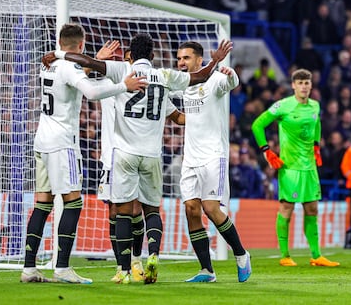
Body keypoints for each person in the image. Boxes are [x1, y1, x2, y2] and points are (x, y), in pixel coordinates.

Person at [44, 33, 233, 284]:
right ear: (153, 55)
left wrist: (58, 54)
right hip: (152, 155)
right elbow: (199, 77)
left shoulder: (121, 70)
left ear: (130, 55)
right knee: (151, 210)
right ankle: (152, 255)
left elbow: (87, 63)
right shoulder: (164, 75)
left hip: (122, 153)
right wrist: (215, 61)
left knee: (121, 211)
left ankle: (124, 269)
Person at [20, 23, 147, 284]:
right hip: (62, 143)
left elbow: (71, 75)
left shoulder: (48, 63)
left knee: (42, 204)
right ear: (81, 44)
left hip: (42, 140)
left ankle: (29, 268)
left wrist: (95, 62)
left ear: (60, 41)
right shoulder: (68, 67)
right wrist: (124, 85)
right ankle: (63, 268)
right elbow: (90, 91)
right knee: (73, 202)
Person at [176, 41, 251, 283]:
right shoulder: (183, 83)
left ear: (199, 60)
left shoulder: (215, 79)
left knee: (210, 208)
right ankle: (207, 271)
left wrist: (230, 73)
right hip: (190, 158)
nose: (181, 63)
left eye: (186, 58)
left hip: (213, 155)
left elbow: (232, 83)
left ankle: (241, 254)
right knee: (191, 210)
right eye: (179, 58)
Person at [251, 68, 340, 267]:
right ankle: (285, 255)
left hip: (309, 168)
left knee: (312, 209)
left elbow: (317, 125)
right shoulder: (282, 106)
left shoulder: (315, 106)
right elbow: (257, 125)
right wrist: (267, 151)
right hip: (290, 168)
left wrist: (316, 145)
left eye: (307, 83)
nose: (303, 86)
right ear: (293, 85)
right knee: (286, 208)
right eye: (300, 83)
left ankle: (316, 256)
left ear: (311, 85)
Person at [96, 48, 145, 282]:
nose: (126, 63)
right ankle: (120, 265)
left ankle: (136, 260)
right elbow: (84, 77)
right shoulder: (108, 81)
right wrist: (98, 60)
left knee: (135, 209)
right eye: (122, 59)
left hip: (135, 154)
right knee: (114, 211)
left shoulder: (144, 83)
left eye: (128, 58)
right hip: (111, 156)